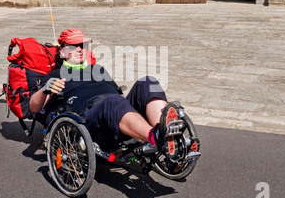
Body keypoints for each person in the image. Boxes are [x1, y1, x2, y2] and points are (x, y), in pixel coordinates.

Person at [29, 28, 182, 155]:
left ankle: (164, 129)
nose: (80, 49)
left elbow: (120, 95)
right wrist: (44, 89)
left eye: (83, 45)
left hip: (116, 109)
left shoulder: (98, 69)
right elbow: (34, 107)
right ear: (62, 52)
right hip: (90, 117)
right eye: (73, 46)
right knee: (113, 102)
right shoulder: (55, 75)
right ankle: (156, 136)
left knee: (148, 82)